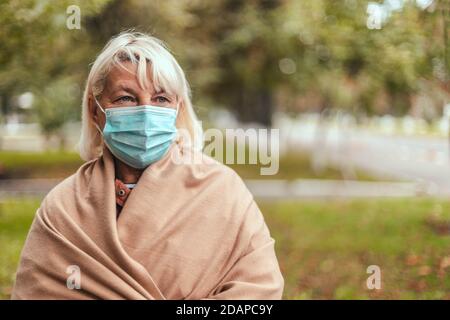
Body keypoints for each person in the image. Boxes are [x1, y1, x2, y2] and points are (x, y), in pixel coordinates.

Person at [12, 32, 284, 300]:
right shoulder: (63, 207)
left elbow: (260, 290)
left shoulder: (223, 191)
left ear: (177, 109)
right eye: (126, 98)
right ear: (95, 111)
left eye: (161, 99)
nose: (145, 110)